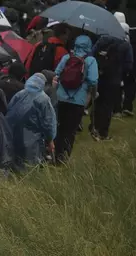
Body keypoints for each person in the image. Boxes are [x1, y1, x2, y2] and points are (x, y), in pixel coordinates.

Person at [54, 35, 98, 163]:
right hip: (78, 100)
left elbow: (57, 74)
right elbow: (93, 80)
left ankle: (56, 153)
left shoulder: (67, 57)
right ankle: (64, 157)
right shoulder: (90, 60)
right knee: (71, 129)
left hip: (61, 97)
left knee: (60, 127)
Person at [5, 73, 57, 169]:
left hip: (13, 131)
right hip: (32, 136)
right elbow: (49, 122)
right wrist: (50, 139)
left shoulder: (20, 94)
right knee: (29, 163)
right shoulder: (44, 99)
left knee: (14, 157)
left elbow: (9, 110)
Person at [91, 28, 133, 140]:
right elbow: (129, 64)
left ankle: (94, 126)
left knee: (98, 101)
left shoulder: (102, 39)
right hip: (114, 78)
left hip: (99, 75)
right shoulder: (125, 44)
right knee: (108, 105)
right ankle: (102, 132)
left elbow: (92, 54)